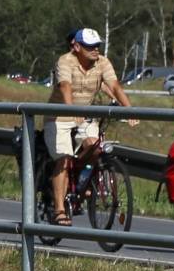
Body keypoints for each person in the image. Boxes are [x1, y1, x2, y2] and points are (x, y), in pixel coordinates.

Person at [46, 27, 138, 226]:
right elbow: (65, 86)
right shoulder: (65, 61)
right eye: (90, 47)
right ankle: (60, 210)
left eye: (97, 46)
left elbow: (114, 85)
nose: (95, 50)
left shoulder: (102, 62)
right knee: (63, 158)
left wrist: (129, 109)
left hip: (85, 116)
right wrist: (71, 110)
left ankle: (80, 180)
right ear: (77, 46)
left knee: (95, 147)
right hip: (60, 116)